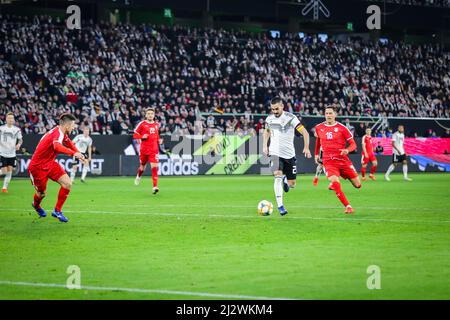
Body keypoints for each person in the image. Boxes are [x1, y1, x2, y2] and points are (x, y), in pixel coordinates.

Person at [29, 113, 86, 223]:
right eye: (73, 125)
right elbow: (57, 146)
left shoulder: (61, 132)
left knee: (68, 183)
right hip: (38, 167)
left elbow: (68, 142)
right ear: (67, 125)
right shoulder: (56, 134)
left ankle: (57, 211)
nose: (74, 128)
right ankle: (36, 205)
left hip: (50, 163)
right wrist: (74, 154)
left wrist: (79, 153)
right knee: (41, 193)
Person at [263, 96, 311, 216]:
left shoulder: (291, 118)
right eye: (273, 109)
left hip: (289, 155)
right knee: (277, 176)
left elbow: (304, 132)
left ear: (282, 106)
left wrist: (306, 147)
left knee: (292, 184)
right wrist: (265, 146)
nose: (274, 111)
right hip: (275, 153)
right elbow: (267, 131)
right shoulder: (269, 119)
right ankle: (280, 206)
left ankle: (286, 180)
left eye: (276, 109)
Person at [314, 105, 362, 214]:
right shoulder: (319, 127)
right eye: (326, 113)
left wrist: (347, 150)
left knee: (358, 185)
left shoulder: (342, 128)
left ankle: (338, 176)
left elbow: (353, 145)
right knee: (335, 183)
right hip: (329, 161)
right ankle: (348, 206)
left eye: (330, 113)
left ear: (335, 114)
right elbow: (318, 141)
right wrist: (316, 154)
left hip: (343, 160)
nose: (328, 115)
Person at [133, 108, 160, 194]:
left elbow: (156, 135)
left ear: (154, 115)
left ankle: (155, 186)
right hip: (144, 150)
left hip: (154, 150)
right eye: (148, 114)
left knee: (154, 168)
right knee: (142, 167)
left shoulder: (156, 125)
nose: (150, 115)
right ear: (145, 115)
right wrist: (141, 137)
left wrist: (159, 140)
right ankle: (138, 176)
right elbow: (135, 134)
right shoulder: (142, 124)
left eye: (151, 114)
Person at [0, 112, 23, 193]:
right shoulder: (1, 128)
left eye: (12, 118)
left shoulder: (17, 130)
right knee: (4, 171)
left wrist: (18, 145)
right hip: (2, 153)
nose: (10, 120)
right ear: (6, 119)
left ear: (13, 120)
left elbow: (20, 139)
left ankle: (4, 188)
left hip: (12, 154)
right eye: (9, 118)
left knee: (10, 170)